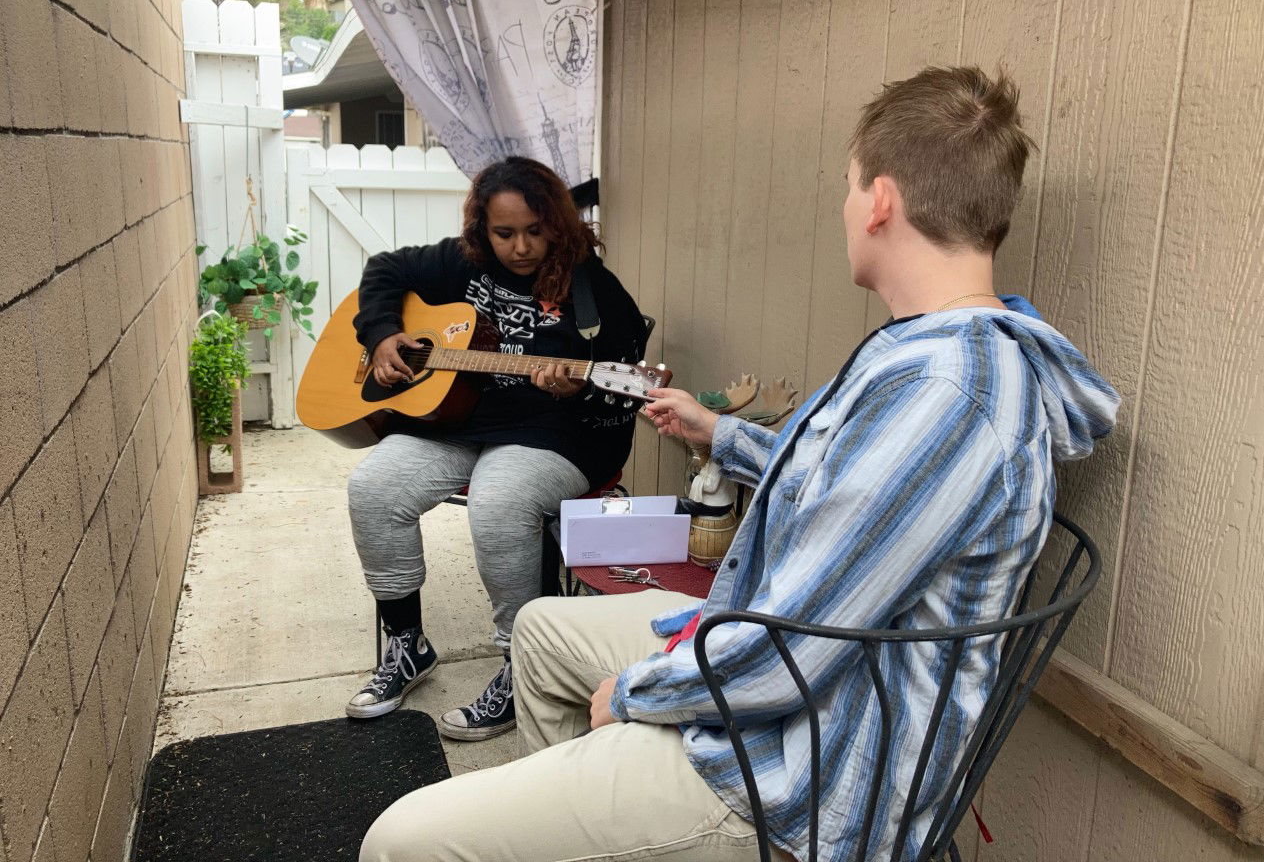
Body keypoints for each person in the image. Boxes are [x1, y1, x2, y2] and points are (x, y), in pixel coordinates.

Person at [357, 66, 1120, 861]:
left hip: (802, 771)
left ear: (882, 201)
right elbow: (842, 486)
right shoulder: (931, 352)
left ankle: (623, 816)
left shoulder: (946, 396)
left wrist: (637, 695)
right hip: (780, 670)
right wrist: (720, 432)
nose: (847, 207)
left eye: (851, 187)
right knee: (544, 630)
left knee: (399, 841)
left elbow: (786, 652)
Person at [344, 156, 646, 741]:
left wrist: (575, 385)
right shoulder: (461, 263)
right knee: (374, 488)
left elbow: (624, 381)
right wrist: (381, 333)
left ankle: (524, 662)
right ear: (482, 228)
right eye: (504, 233)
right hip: (460, 421)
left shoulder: (592, 287)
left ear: (558, 223)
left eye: (536, 231)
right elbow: (384, 269)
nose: (522, 247)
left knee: (498, 500)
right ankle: (407, 645)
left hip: (555, 433)